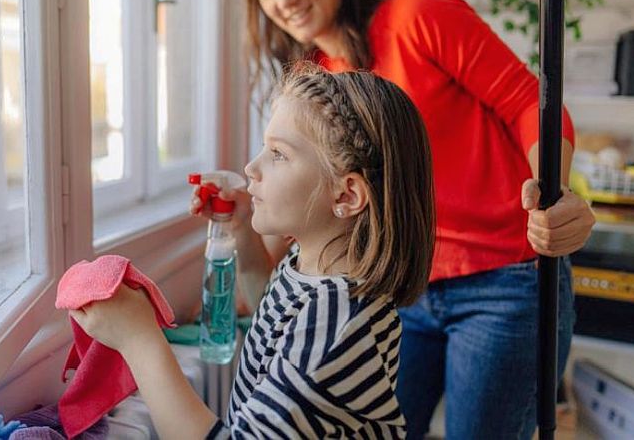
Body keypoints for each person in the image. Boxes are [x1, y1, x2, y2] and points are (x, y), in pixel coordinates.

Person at [229, 0, 596, 440]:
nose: (283, 0)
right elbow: (308, 213)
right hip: (397, 284)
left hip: (505, 278)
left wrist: (552, 193)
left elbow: (530, 104)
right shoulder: (319, 79)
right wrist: (240, 222)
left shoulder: (417, 16)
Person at [68, 68, 436, 439]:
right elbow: (274, 313)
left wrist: (139, 341)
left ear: (346, 195)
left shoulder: (339, 322)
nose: (251, 168)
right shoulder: (314, 269)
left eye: (278, 154)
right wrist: (242, 229)